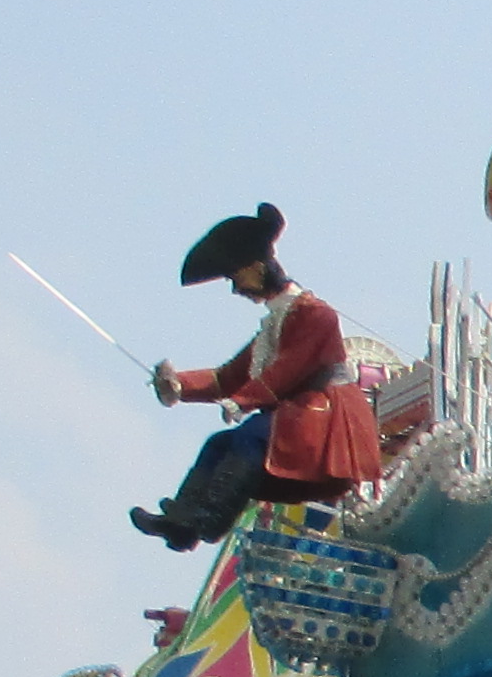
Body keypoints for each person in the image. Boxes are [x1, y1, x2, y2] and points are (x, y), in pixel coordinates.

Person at [135, 203, 384, 549]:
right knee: (218, 444)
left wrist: (243, 401)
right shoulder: (276, 323)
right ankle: (182, 524)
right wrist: (179, 384)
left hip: (326, 417)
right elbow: (227, 377)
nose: (236, 288)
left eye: (235, 277)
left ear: (256, 268)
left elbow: (288, 370)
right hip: (297, 415)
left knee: (248, 437)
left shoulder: (316, 315)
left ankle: (210, 519)